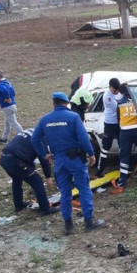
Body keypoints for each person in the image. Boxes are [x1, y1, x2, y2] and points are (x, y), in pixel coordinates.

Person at [32, 92, 103, 235]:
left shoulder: (45, 119)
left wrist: (44, 154)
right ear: (66, 103)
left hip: (59, 160)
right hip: (75, 160)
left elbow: (34, 139)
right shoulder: (73, 117)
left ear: (53, 103)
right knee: (84, 189)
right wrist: (91, 154)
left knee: (65, 193)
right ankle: (89, 222)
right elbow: (83, 138)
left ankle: (68, 225)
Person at [108, 84, 137, 194]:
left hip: (125, 132)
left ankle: (122, 181)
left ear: (121, 92)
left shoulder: (120, 103)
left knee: (124, 156)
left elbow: (118, 118)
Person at [0, 128, 59, 215]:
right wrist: (48, 177)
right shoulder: (41, 139)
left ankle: (18, 204)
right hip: (16, 161)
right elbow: (44, 158)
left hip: (4, 158)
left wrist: (32, 169)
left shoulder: (31, 131)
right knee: (37, 181)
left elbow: (25, 151)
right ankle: (45, 209)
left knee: (17, 179)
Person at [96, 78, 123, 176]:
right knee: (106, 147)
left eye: (118, 90)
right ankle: (100, 170)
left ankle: (122, 168)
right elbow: (119, 107)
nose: (116, 92)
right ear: (110, 87)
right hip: (110, 124)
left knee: (122, 145)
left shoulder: (118, 92)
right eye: (114, 90)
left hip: (119, 123)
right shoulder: (107, 97)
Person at [0, 71, 22, 144]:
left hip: (7, 107)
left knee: (14, 123)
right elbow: (13, 92)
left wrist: (7, 98)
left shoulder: (0, 85)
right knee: (7, 123)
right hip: (12, 106)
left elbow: (4, 90)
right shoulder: (7, 83)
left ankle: (24, 136)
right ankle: (4, 138)